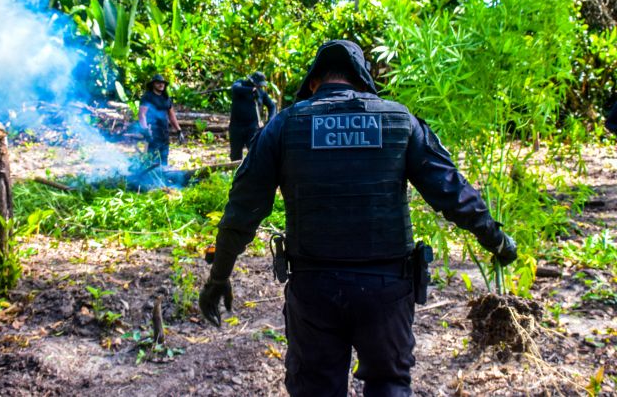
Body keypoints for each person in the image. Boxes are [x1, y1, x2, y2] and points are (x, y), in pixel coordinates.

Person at [199, 40, 518, 396]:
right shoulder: (399, 120)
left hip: (313, 289)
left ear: (315, 83)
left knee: (315, 388)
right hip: (387, 289)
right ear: (362, 81)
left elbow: (242, 213)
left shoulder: (285, 126)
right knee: (389, 385)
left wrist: (218, 278)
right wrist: (498, 241)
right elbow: (451, 191)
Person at [229, 71, 277, 161]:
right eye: (258, 84)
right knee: (235, 156)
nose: (260, 86)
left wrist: (270, 120)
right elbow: (235, 88)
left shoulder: (261, 93)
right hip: (236, 127)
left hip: (252, 128)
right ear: (252, 81)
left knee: (255, 155)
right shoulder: (240, 83)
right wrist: (250, 90)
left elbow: (272, 106)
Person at [138, 74, 184, 166]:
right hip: (152, 132)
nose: (161, 85)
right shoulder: (148, 97)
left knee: (164, 159)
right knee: (152, 159)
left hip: (164, 132)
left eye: (162, 83)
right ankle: (148, 178)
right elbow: (141, 115)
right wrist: (145, 130)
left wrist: (179, 130)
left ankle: (164, 178)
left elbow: (172, 116)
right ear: (153, 84)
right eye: (158, 83)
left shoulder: (166, 98)